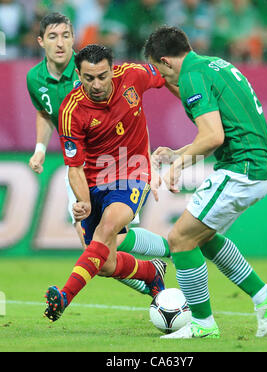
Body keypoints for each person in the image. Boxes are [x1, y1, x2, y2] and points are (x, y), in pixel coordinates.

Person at [144, 25, 267, 339]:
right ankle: (265, 296)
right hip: (255, 166)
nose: (164, 81)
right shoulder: (214, 64)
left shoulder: (191, 76)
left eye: (160, 71)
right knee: (203, 238)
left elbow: (212, 136)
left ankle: (203, 324)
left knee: (180, 239)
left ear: (166, 61)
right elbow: (222, 129)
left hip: (242, 168)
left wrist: (179, 165)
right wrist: (178, 153)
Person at [26, 13, 169, 300]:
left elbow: (132, 115)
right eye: (53, 37)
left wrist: (147, 162)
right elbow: (44, 113)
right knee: (100, 253)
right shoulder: (35, 79)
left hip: (119, 166)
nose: (60, 43)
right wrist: (40, 149)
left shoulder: (94, 64)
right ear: (41, 41)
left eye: (66, 35)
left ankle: (173, 249)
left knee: (105, 237)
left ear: (74, 38)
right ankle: (152, 274)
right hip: (82, 170)